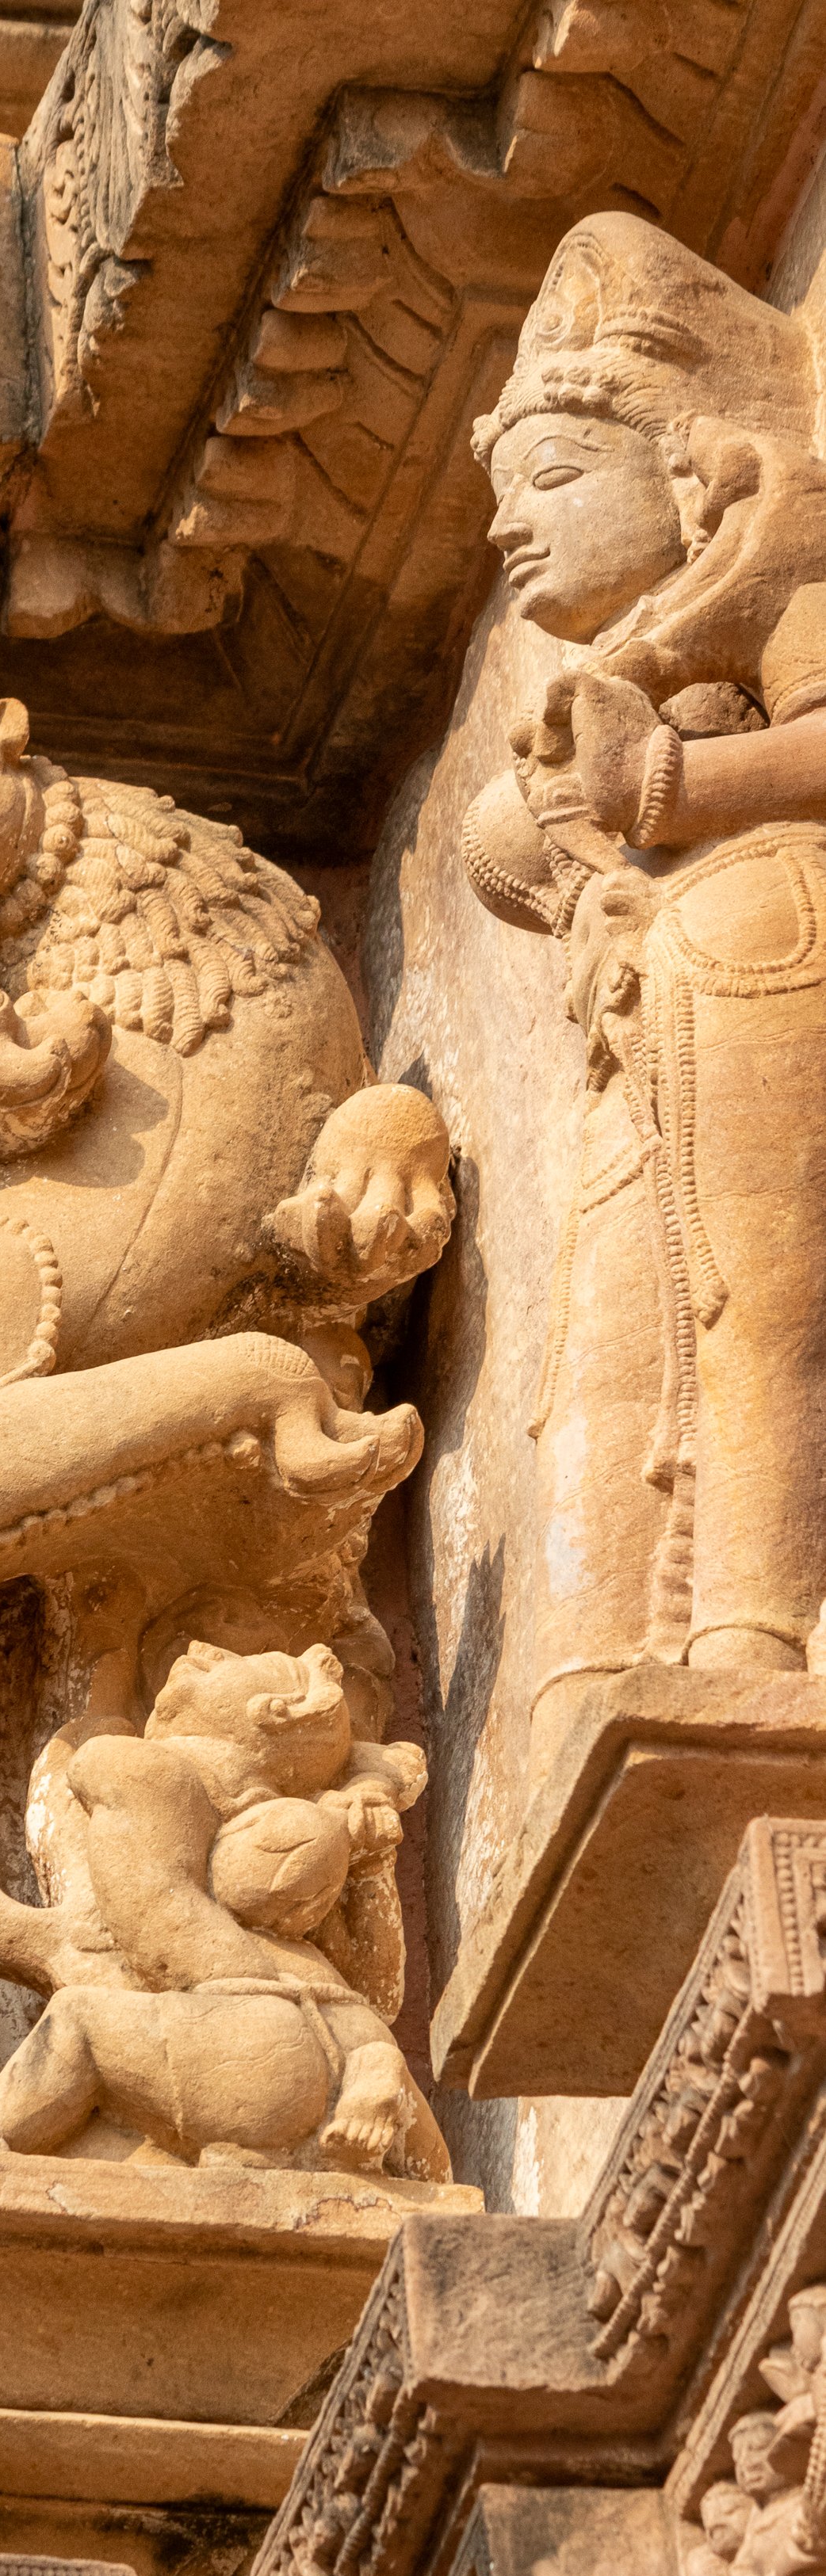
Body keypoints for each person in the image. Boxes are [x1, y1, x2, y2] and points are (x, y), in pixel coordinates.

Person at [464, 212, 826, 1762]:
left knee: (756, 1305)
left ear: (690, 471)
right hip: (652, 1006)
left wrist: (665, 778)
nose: (503, 535)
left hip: (762, 944)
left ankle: (746, 1620)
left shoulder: (788, 594)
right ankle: (587, 1689)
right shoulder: (629, 657)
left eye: (550, 480)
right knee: (597, 1357)